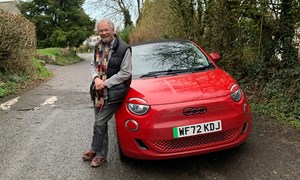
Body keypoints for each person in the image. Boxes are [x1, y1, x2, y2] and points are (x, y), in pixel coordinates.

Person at [81, 18, 132, 167]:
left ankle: (95, 149)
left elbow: (126, 72)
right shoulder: (97, 46)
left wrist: (106, 83)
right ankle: (101, 154)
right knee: (101, 125)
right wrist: (96, 78)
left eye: (106, 30)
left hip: (114, 92)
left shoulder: (124, 48)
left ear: (113, 30)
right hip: (98, 92)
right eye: (101, 31)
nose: (103, 33)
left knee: (99, 122)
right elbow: (92, 65)